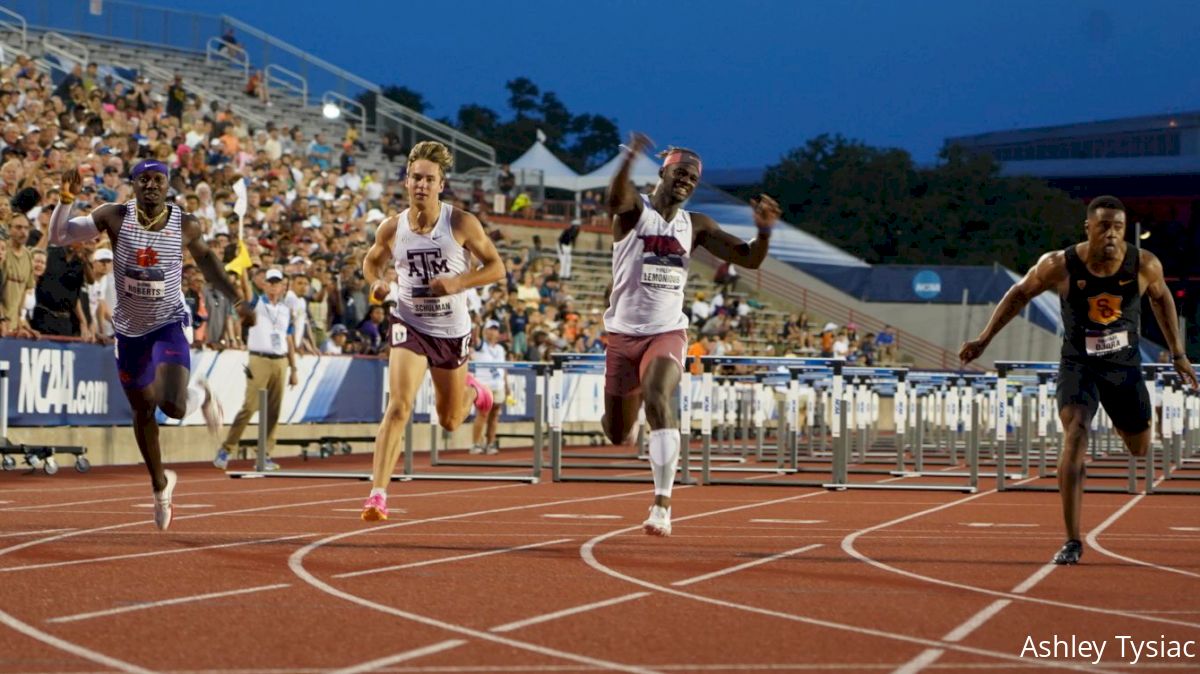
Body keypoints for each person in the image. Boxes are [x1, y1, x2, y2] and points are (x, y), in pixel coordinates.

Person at [960, 195, 1198, 565]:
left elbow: (1162, 299)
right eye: (1103, 225)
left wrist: (1179, 354)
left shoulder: (1144, 263)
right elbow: (1019, 294)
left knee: (1138, 447)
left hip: (1123, 366)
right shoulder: (1060, 264)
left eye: (1118, 227)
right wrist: (983, 339)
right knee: (1076, 431)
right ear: (1088, 227)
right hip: (1078, 364)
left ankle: (1127, 422)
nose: (1111, 234)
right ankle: (1072, 539)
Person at [49, 160, 252, 530]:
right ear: (134, 185)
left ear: (168, 185)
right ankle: (160, 485)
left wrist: (238, 301)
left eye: (158, 180)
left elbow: (208, 263)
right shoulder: (113, 215)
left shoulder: (185, 224)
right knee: (143, 412)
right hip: (129, 332)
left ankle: (200, 394)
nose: (151, 186)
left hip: (168, 322)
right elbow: (60, 236)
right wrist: (65, 200)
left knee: (172, 406)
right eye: (144, 180)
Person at [603, 132, 780, 537]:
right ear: (663, 173)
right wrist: (630, 158)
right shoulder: (634, 211)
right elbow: (615, 200)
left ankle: (662, 503)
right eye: (680, 174)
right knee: (615, 433)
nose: (686, 182)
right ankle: (626, 420)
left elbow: (748, 259)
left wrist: (765, 232)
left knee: (658, 394)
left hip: (667, 331)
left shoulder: (696, 225)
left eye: (693, 179)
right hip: (622, 333)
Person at [359, 141, 505, 521]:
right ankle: (377, 494)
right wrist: (376, 284)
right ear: (406, 181)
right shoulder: (392, 228)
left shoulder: (460, 222)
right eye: (415, 178)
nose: (421, 185)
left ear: (442, 184)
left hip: (451, 330)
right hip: (410, 322)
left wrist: (458, 283)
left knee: (450, 420)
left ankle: (473, 392)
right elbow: (370, 262)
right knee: (399, 406)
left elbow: (496, 267)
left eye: (429, 179)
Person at [214, 268, 298, 471]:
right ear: (264, 284)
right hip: (259, 358)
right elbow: (245, 291)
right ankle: (226, 449)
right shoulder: (257, 303)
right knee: (249, 407)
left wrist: (294, 368)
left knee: (274, 411)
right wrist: (243, 270)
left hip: (280, 361)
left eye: (277, 283)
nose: (274, 286)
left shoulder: (286, 310)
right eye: (270, 282)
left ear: (282, 286)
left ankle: (265, 454)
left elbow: (289, 339)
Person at [471, 320, 509, 454]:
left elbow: (504, 368)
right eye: (491, 329)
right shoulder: (481, 346)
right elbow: (475, 338)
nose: (494, 331)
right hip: (484, 385)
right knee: (482, 414)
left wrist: (507, 386)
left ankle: (490, 443)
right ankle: (476, 443)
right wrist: (477, 325)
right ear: (485, 331)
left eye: (496, 329)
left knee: (495, 415)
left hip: (499, 385)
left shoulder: (500, 349)